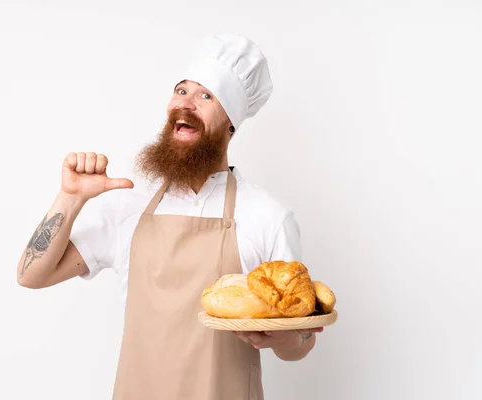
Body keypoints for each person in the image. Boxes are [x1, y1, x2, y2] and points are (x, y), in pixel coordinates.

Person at [17, 34, 323, 400]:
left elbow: (300, 346)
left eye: (207, 96)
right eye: (181, 91)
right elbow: (31, 276)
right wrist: (70, 198)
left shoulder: (267, 216)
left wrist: (286, 336)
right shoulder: (129, 206)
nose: (186, 104)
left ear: (232, 123)